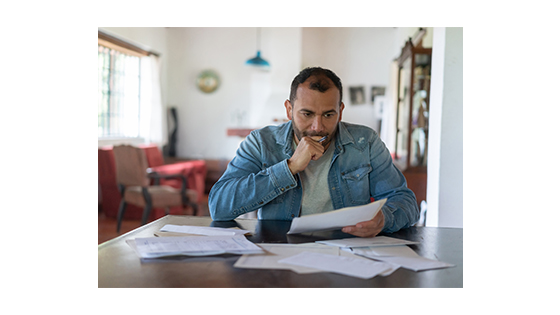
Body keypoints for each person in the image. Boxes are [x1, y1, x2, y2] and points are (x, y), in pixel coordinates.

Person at [209, 67, 419, 237]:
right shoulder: (261, 142)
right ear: (289, 109)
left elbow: (405, 200)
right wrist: (289, 168)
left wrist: (384, 219)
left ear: (341, 111)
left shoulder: (365, 142)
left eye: (328, 114)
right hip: (281, 251)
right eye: (307, 114)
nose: (317, 126)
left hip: (347, 252)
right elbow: (219, 206)